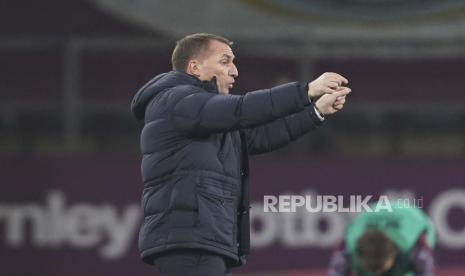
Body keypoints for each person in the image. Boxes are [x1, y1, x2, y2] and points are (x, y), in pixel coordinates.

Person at [131, 33, 351, 275]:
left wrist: (315, 111)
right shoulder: (176, 99)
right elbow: (241, 109)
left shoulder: (206, 114)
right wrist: (305, 91)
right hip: (189, 241)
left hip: (205, 240)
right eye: (225, 61)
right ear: (194, 67)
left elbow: (261, 136)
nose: (234, 71)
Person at [328, 203, 436, 276]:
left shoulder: (414, 247)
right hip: (369, 215)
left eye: (380, 268)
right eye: (371, 269)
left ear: (394, 252)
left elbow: (425, 270)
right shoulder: (348, 250)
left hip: (413, 219)